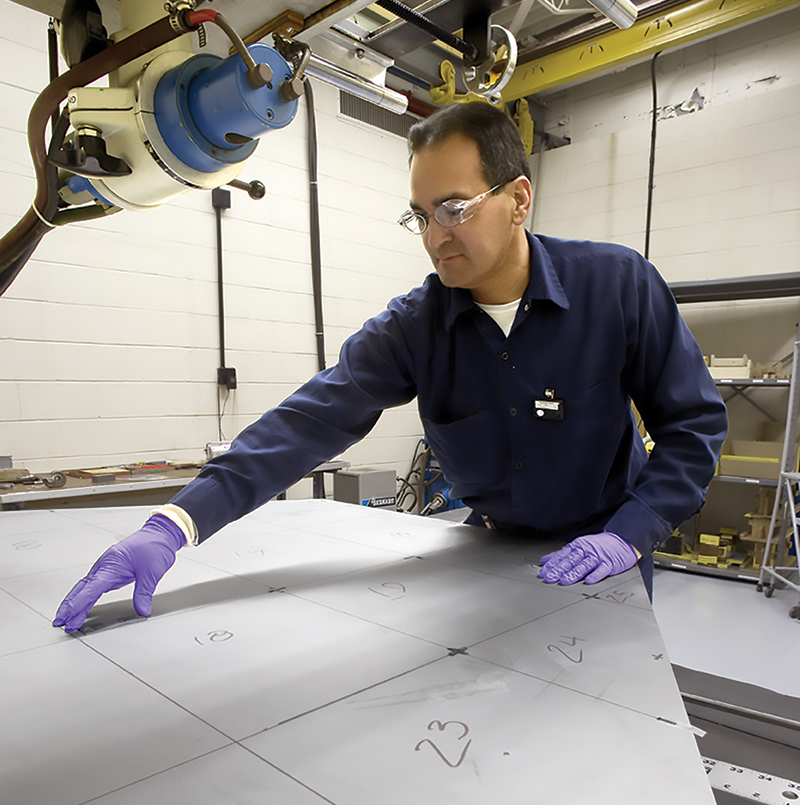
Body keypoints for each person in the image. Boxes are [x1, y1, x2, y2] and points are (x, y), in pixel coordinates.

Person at [53, 102, 727, 633]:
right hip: (487, 548)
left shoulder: (618, 286)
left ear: (519, 199)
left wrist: (630, 534)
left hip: (606, 545)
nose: (436, 236)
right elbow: (306, 423)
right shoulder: (416, 326)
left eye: (454, 209)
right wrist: (171, 526)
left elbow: (693, 425)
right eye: (421, 216)